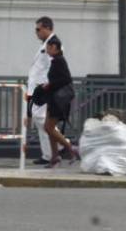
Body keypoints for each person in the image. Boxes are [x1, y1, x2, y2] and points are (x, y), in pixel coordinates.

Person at [27, 16, 64, 165]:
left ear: (48, 28)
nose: (36, 32)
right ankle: (49, 153)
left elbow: (53, 66)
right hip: (38, 89)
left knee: (42, 119)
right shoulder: (45, 44)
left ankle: (61, 145)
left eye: (38, 29)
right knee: (39, 119)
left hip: (45, 89)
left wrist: (48, 87)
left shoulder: (54, 44)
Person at [41, 36, 79, 168]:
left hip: (58, 100)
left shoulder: (59, 61)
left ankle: (70, 148)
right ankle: (55, 156)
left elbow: (66, 79)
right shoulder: (56, 61)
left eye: (49, 47)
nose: (47, 49)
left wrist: (49, 85)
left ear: (55, 48)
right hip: (54, 98)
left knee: (49, 127)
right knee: (49, 128)